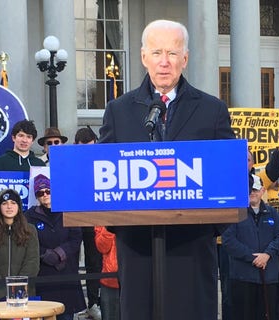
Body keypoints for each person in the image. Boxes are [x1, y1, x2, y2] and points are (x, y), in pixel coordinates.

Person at [98, 19, 235, 320]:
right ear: (144, 56)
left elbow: (228, 178)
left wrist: (208, 228)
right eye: (157, 52)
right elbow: (102, 178)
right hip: (137, 248)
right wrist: (123, 227)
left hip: (193, 246)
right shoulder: (118, 111)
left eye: (173, 54)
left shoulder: (212, 110)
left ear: (184, 59)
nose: (164, 62)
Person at [222, 174, 279, 320]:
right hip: (242, 277)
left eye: (256, 189)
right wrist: (253, 257)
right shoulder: (235, 213)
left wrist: (267, 254)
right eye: (249, 189)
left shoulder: (272, 213)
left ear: (263, 190)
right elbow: (228, 240)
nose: (252, 192)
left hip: (268, 277)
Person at [25, 175, 85, 319]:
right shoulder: (29, 216)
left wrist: (59, 253)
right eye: (40, 192)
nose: (45, 195)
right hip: (43, 274)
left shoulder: (67, 210)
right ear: (36, 196)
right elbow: (27, 242)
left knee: (66, 314)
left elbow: (76, 238)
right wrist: (45, 254)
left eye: (48, 191)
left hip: (67, 272)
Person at [0, 189, 40, 302]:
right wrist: (1, 294)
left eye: (13, 203)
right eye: (4, 203)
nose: (9, 207)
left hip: (23, 295)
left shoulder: (30, 230)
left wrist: (18, 290)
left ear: (19, 206)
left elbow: (32, 263)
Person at [74, 127, 102, 320]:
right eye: (83, 148)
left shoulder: (101, 161)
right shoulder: (70, 162)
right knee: (71, 262)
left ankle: (93, 302)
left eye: (90, 147)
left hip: (94, 218)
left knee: (94, 262)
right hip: (73, 218)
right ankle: (75, 303)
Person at [94, 226, 120, 320]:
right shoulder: (103, 214)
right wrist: (110, 226)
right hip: (109, 281)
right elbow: (101, 247)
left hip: (134, 280)